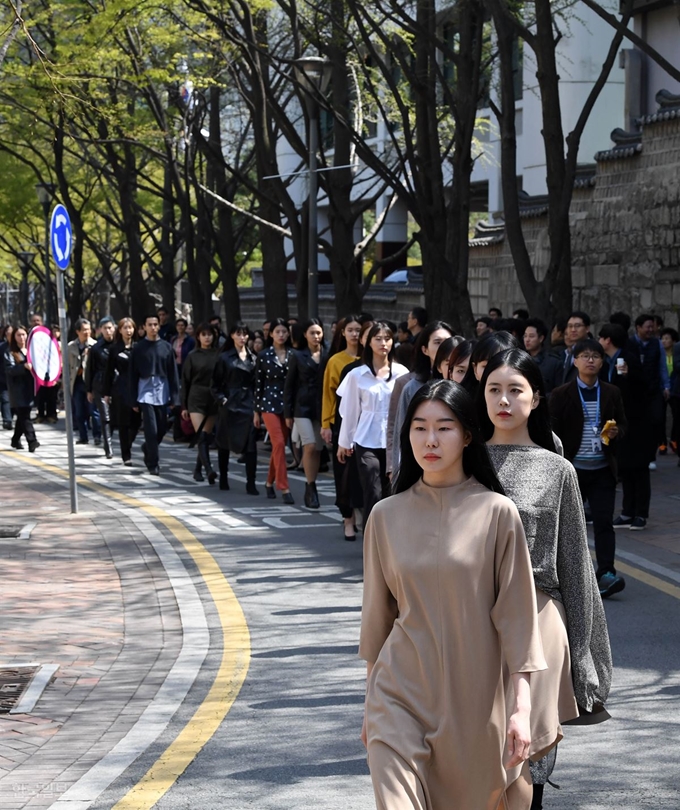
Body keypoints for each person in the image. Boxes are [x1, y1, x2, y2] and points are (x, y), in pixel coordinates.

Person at [361, 380, 546, 810]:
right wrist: (370, 703)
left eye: (444, 428)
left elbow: (519, 619)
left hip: (477, 706)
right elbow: (376, 620)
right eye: (419, 427)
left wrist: (521, 709)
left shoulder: (498, 513)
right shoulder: (384, 516)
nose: (430, 440)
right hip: (398, 697)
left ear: (466, 435)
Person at [479, 350, 613, 804]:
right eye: (493, 389)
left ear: (535, 399)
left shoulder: (558, 470)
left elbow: (575, 565)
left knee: (529, 751)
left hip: (538, 615)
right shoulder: (463, 462)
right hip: (472, 615)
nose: (503, 400)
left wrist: (586, 656)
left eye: (515, 390)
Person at [550, 339, 627, 598]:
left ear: (602, 361)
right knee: (570, 524)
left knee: (604, 522)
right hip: (574, 470)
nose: (590, 360)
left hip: (603, 469)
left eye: (595, 356)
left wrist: (617, 432)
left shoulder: (611, 392)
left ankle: (606, 573)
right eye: (584, 356)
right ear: (575, 361)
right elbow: (552, 432)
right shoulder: (561, 394)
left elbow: (625, 426)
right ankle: (568, 574)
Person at [337, 322, 409, 525]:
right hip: (366, 439)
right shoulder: (356, 375)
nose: (383, 343)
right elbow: (350, 411)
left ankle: (391, 538)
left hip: (394, 440)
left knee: (392, 492)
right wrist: (345, 442)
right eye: (378, 338)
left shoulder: (402, 373)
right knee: (373, 488)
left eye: (387, 338)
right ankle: (371, 537)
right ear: (368, 343)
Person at [598, 323, 651, 531]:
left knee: (639, 468)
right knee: (625, 468)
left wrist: (629, 376)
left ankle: (641, 513)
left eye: (602, 338)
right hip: (618, 422)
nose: (600, 342)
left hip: (636, 424)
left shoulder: (628, 358)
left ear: (608, 340)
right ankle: (627, 511)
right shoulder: (607, 362)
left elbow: (643, 387)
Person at [388, 321, 454, 477]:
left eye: (448, 342)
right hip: (417, 466)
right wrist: (394, 468)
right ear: (424, 349)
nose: (443, 348)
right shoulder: (409, 386)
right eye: (438, 343)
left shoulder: (463, 384)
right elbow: (397, 429)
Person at [320, 316, 364, 538]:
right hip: (341, 420)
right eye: (351, 330)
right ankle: (348, 519)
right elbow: (329, 396)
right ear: (342, 333)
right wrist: (326, 423)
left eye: (359, 330)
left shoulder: (371, 362)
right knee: (344, 472)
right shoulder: (336, 361)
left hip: (366, 423)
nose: (355, 334)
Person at [283, 319, 327, 507]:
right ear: (305, 335)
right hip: (302, 407)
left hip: (322, 407)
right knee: (309, 446)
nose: (316, 336)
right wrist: (287, 413)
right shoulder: (298, 356)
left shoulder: (328, 355)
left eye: (318, 333)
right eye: (312, 333)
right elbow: (289, 385)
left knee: (317, 449)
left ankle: (312, 483)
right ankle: (310, 487)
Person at [129, 314, 180, 475]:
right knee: (150, 428)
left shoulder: (166, 347)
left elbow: (173, 373)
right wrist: (133, 399)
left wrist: (175, 396)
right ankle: (153, 463)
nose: (153, 327)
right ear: (144, 327)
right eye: (149, 324)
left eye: (155, 324)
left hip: (162, 389)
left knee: (162, 427)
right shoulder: (138, 348)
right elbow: (132, 374)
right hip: (145, 391)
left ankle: (148, 448)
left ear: (159, 326)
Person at [212, 322, 259, 494]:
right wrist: (222, 400)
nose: (242, 337)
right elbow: (215, 384)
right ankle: (223, 476)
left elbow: (257, 384)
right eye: (238, 334)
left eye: (245, 334)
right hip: (230, 403)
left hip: (249, 404)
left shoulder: (254, 358)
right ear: (232, 335)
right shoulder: (224, 358)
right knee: (224, 442)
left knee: (251, 445)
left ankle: (251, 482)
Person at [254, 317, 294, 504]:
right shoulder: (263, 355)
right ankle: (284, 487)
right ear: (270, 334)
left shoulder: (293, 355)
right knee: (278, 443)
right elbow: (258, 384)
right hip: (268, 403)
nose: (281, 335)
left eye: (284, 331)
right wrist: (256, 411)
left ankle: (269, 482)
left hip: (286, 405)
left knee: (279, 445)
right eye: (277, 332)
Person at [628, 314, 669, 472]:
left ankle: (651, 456)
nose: (651, 330)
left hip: (653, 390)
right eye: (648, 327)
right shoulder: (630, 344)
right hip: (635, 390)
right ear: (638, 328)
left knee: (656, 420)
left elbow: (662, 366)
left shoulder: (656, 344)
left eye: (653, 326)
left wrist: (666, 386)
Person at [182, 323, 220, 485]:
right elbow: (185, 381)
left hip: (213, 398)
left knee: (205, 436)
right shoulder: (192, 355)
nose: (207, 337)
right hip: (196, 397)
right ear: (198, 337)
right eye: (203, 334)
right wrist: (183, 406)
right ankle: (209, 469)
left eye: (209, 334)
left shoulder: (219, 354)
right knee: (202, 436)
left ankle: (198, 469)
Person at [103, 317, 141, 466]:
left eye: (130, 327)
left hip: (138, 387)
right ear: (120, 330)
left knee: (136, 422)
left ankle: (128, 445)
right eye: (125, 328)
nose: (128, 330)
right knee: (123, 422)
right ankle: (126, 454)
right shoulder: (114, 349)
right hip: (121, 387)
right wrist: (107, 393)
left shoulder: (138, 347)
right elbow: (109, 372)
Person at [3, 325, 39, 452]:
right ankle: (32, 441)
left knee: (23, 415)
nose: (22, 337)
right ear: (14, 337)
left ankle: (15, 439)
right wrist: (23, 367)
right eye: (18, 335)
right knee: (24, 415)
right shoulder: (10, 352)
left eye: (24, 334)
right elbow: (9, 369)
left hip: (31, 387)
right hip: (17, 389)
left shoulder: (31, 350)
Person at [85, 316, 117, 459]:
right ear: (100, 330)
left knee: (117, 417)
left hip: (118, 383)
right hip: (100, 384)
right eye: (105, 328)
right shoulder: (96, 348)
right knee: (105, 417)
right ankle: (108, 447)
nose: (108, 331)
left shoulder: (120, 345)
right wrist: (89, 390)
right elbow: (89, 370)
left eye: (110, 327)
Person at [68, 318, 101, 446]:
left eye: (88, 329)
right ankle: (83, 436)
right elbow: (66, 366)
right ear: (77, 331)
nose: (87, 332)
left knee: (94, 411)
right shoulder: (71, 346)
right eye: (84, 330)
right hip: (76, 383)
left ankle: (97, 436)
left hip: (91, 383)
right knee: (79, 412)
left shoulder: (95, 345)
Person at [460, 331, 520, 396]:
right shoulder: (461, 404)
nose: (493, 372)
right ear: (475, 369)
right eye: (486, 366)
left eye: (502, 365)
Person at [523, 318, 562, 395]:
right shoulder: (521, 359)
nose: (527, 340)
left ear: (541, 338)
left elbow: (558, 392)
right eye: (525, 336)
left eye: (531, 336)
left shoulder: (554, 362)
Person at [559, 311, 591, 385]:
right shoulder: (572, 350)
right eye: (570, 326)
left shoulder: (594, 349)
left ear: (587, 328)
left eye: (577, 326)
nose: (573, 330)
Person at [0, 324, 13, 430]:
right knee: (5, 399)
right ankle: (7, 420)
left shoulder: (20, 346)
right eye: (9, 332)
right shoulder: (2, 347)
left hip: (17, 379)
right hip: (3, 378)